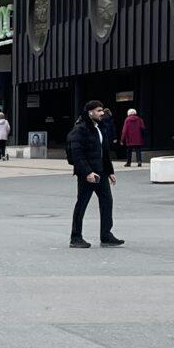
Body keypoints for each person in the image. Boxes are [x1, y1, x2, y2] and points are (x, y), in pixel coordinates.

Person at [66, 100, 122, 248]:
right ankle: (75, 237)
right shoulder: (80, 129)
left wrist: (110, 172)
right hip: (87, 174)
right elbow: (77, 154)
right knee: (82, 204)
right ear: (90, 112)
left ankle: (106, 235)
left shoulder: (100, 127)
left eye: (102, 110)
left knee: (107, 202)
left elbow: (104, 152)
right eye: (98, 110)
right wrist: (87, 172)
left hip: (101, 172)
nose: (102, 113)